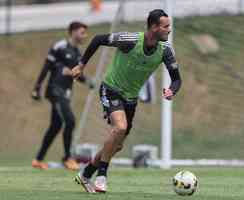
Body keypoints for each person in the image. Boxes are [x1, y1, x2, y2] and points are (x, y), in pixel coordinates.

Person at [72, 9, 182, 193]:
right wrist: (81, 65)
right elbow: (99, 39)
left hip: (131, 98)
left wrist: (172, 90)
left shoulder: (166, 50)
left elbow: (177, 79)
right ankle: (102, 176)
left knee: (117, 145)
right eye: (166, 26)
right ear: (154, 27)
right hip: (111, 89)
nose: (169, 30)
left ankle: (86, 173)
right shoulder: (130, 40)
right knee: (120, 127)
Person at [31, 21, 95, 170]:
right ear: (72, 32)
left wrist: (88, 82)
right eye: (82, 32)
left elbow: (77, 75)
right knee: (70, 121)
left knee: (56, 126)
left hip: (65, 93)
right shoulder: (59, 46)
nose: (84, 35)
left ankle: (38, 159)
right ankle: (67, 158)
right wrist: (37, 88)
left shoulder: (77, 53)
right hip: (55, 90)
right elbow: (46, 67)